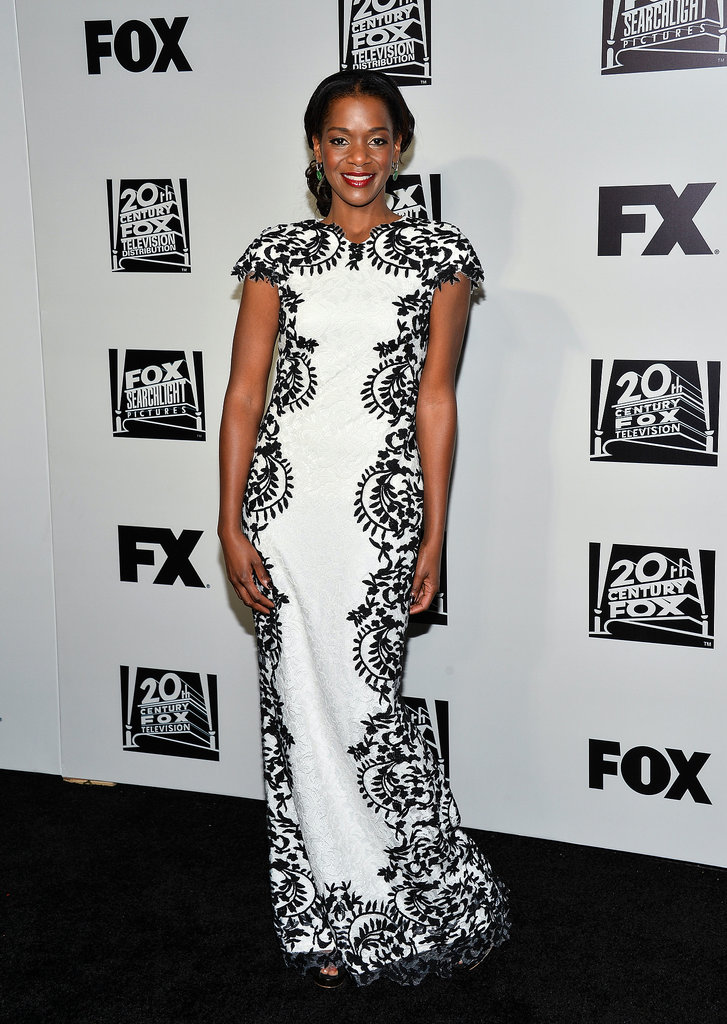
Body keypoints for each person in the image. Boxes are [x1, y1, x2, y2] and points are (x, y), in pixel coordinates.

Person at [218, 69, 510, 988]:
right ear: (313, 148)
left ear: (401, 148)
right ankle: (328, 912)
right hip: (287, 510)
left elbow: (435, 401)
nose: (358, 156)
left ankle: (408, 896)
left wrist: (431, 534)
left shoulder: (441, 257)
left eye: (377, 138)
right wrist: (228, 522)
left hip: (378, 511)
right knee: (301, 715)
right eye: (339, 138)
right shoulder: (275, 255)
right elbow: (240, 398)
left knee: (369, 709)